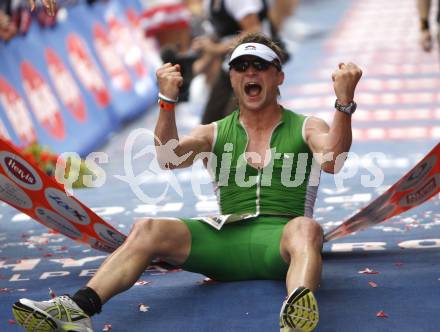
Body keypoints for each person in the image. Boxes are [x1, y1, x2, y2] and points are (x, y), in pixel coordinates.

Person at [12, 32, 362, 332]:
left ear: (278, 77)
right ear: (232, 79)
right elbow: (168, 158)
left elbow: (332, 161)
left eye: (260, 66)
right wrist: (166, 102)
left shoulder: (306, 126)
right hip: (227, 245)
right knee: (148, 228)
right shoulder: (213, 131)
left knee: (306, 228)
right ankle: (79, 309)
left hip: (281, 243)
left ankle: (296, 315)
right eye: (241, 67)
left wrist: (343, 104)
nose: (250, 73)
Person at [192, 0, 290, 124]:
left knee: (239, 122)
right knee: (209, 122)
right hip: (231, 66)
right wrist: (205, 54)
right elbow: (220, 34)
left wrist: (215, 49)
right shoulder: (209, 3)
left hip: (256, 66)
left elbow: (254, 30)